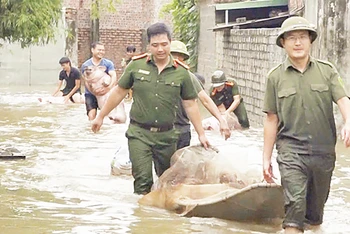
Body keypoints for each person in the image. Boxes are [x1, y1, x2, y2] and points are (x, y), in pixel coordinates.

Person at [91, 22, 210, 195]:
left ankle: (161, 219)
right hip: (139, 134)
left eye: (164, 44)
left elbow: (190, 104)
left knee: (166, 182)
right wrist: (100, 116)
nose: (160, 49)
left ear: (170, 42)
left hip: (167, 136)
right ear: (149, 46)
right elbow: (118, 92)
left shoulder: (181, 72)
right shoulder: (136, 66)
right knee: (143, 181)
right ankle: (142, 218)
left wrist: (201, 133)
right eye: (155, 45)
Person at [262, 16, 350, 234]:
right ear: (283, 43)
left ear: (310, 40)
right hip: (291, 151)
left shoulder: (327, 71)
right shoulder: (275, 77)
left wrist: (348, 121)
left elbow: (343, 99)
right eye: (291, 38)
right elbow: (271, 118)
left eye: (302, 37)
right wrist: (266, 158)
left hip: (323, 152)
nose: (298, 42)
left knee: (315, 215)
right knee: (294, 208)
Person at [170, 40, 231, 149]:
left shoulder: (187, 76)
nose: (176, 60)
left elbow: (205, 100)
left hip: (181, 129)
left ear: (183, 60)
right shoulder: (156, 75)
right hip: (161, 131)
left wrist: (221, 121)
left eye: (180, 57)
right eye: (173, 56)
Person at [81, 42, 117, 120]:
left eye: (103, 50)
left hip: (105, 94)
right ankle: (91, 131)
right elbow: (86, 82)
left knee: (108, 117)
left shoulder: (108, 63)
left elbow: (113, 76)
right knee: (91, 115)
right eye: (99, 50)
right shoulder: (86, 65)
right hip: (90, 94)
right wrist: (94, 92)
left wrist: (108, 88)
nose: (101, 52)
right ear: (92, 50)